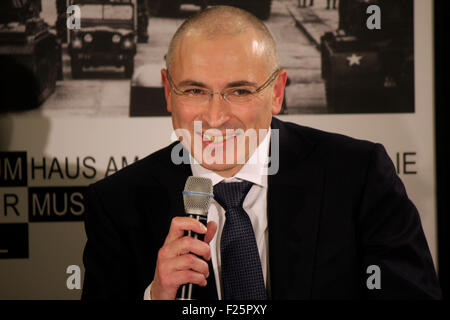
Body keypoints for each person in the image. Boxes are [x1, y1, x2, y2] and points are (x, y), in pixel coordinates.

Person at [81, 6, 441, 300]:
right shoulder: (117, 204)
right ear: (167, 91)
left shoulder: (359, 177)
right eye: (194, 90)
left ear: (278, 92)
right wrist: (156, 297)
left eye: (239, 91)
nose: (215, 117)